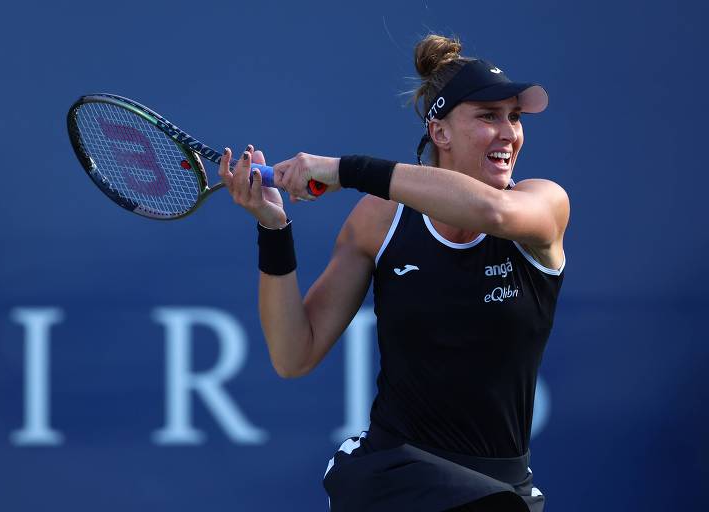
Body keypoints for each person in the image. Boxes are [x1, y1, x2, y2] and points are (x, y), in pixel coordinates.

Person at [218, 34, 568, 512]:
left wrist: (345, 169)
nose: (509, 133)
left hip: (503, 484)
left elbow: (494, 214)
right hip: (393, 468)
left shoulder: (543, 204)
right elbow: (292, 353)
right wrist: (273, 228)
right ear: (440, 132)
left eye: (514, 117)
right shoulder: (380, 220)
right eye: (488, 116)